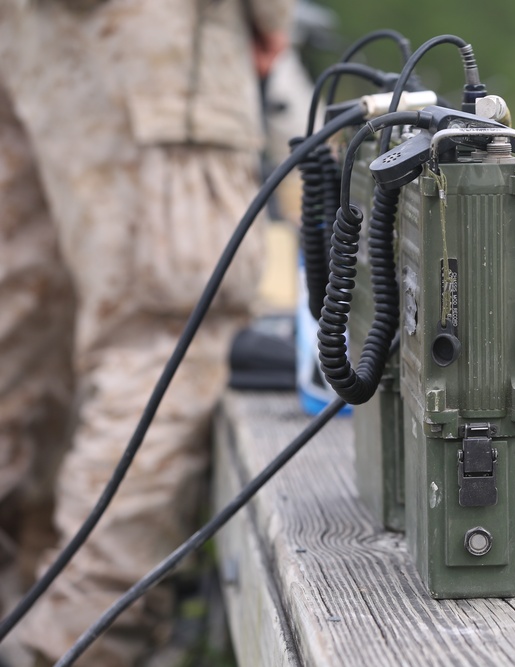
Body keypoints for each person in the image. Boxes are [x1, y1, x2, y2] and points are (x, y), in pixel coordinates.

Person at [0, 0, 292, 664]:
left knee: (21, 319)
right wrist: (271, 17)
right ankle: (64, 648)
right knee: (170, 331)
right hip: (151, 31)